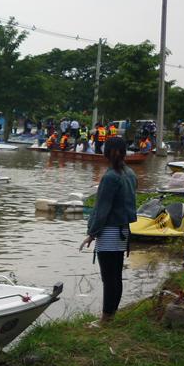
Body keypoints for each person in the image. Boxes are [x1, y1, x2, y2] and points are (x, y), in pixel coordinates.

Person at [79, 137, 138, 323]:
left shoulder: (110, 177)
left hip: (109, 232)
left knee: (108, 278)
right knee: (116, 276)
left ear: (107, 153)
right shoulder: (130, 173)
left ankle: (105, 318)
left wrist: (92, 233)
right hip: (123, 231)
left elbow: (102, 209)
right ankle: (111, 315)